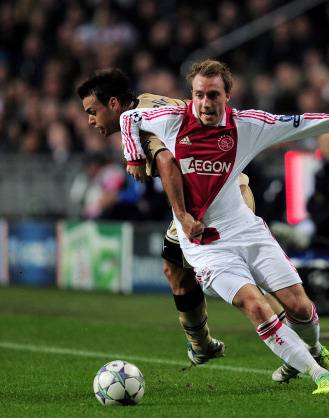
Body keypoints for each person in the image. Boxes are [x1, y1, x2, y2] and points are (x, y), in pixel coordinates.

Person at [122, 59, 329, 394]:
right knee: (255, 305)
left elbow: (304, 123)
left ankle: (311, 350)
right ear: (191, 94)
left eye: (213, 95)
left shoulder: (247, 125)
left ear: (227, 95)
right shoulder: (172, 120)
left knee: (300, 307)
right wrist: (133, 155)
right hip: (206, 247)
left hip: (246, 231)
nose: (206, 103)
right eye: (199, 95)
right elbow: (128, 117)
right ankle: (319, 374)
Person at [76, 69, 285, 366]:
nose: (90, 120)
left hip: (218, 198)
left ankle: (294, 343)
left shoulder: (142, 130)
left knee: (237, 278)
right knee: (175, 269)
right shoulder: (147, 101)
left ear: (113, 104)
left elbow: (167, 162)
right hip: (225, 186)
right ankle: (203, 345)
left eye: (92, 111)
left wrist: (183, 216)